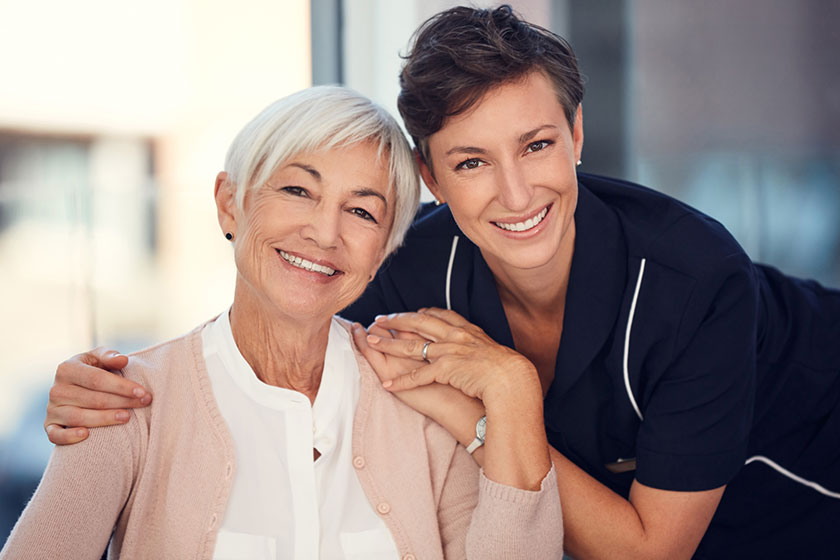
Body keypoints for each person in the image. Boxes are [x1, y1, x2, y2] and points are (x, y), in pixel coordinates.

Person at [40, 4, 840, 558]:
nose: (517, 195)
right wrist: (120, 387)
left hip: (808, 462)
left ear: (577, 135)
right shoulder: (406, 266)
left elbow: (647, 550)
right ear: (429, 178)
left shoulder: (692, 279)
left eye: (536, 146)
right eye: (471, 163)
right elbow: (284, 306)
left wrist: (496, 398)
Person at [2, 85, 563, 559]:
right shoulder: (126, 403)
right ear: (230, 203)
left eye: (362, 211)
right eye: (298, 190)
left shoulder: (421, 403)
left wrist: (512, 388)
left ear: (383, 251)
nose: (324, 232)